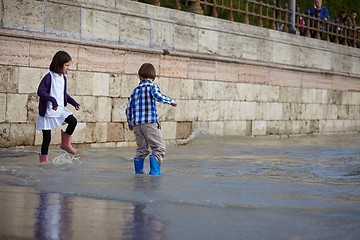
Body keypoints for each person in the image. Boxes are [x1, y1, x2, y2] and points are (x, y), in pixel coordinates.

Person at [125, 63, 177, 175]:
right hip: (149, 123)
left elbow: (129, 108)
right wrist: (171, 101)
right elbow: (158, 96)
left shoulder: (135, 90)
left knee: (141, 149)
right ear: (153, 77)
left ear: (139, 76)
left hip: (137, 125)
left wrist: (130, 123)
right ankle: (154, 172)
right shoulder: (152, 86)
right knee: (159, 147)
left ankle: (138, 173)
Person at [36, 51, 80, 163]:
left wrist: (73, 103)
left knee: (73, 121)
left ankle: (65, 143)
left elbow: (63, 94)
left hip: (59, 110)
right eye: (66, 65)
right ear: (58, 64)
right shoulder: (49, 77)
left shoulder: (63, 78)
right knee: (47, 139)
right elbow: (40, 91)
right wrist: (52, 100)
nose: (68, 68)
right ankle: (43, 161)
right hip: (47, 111)